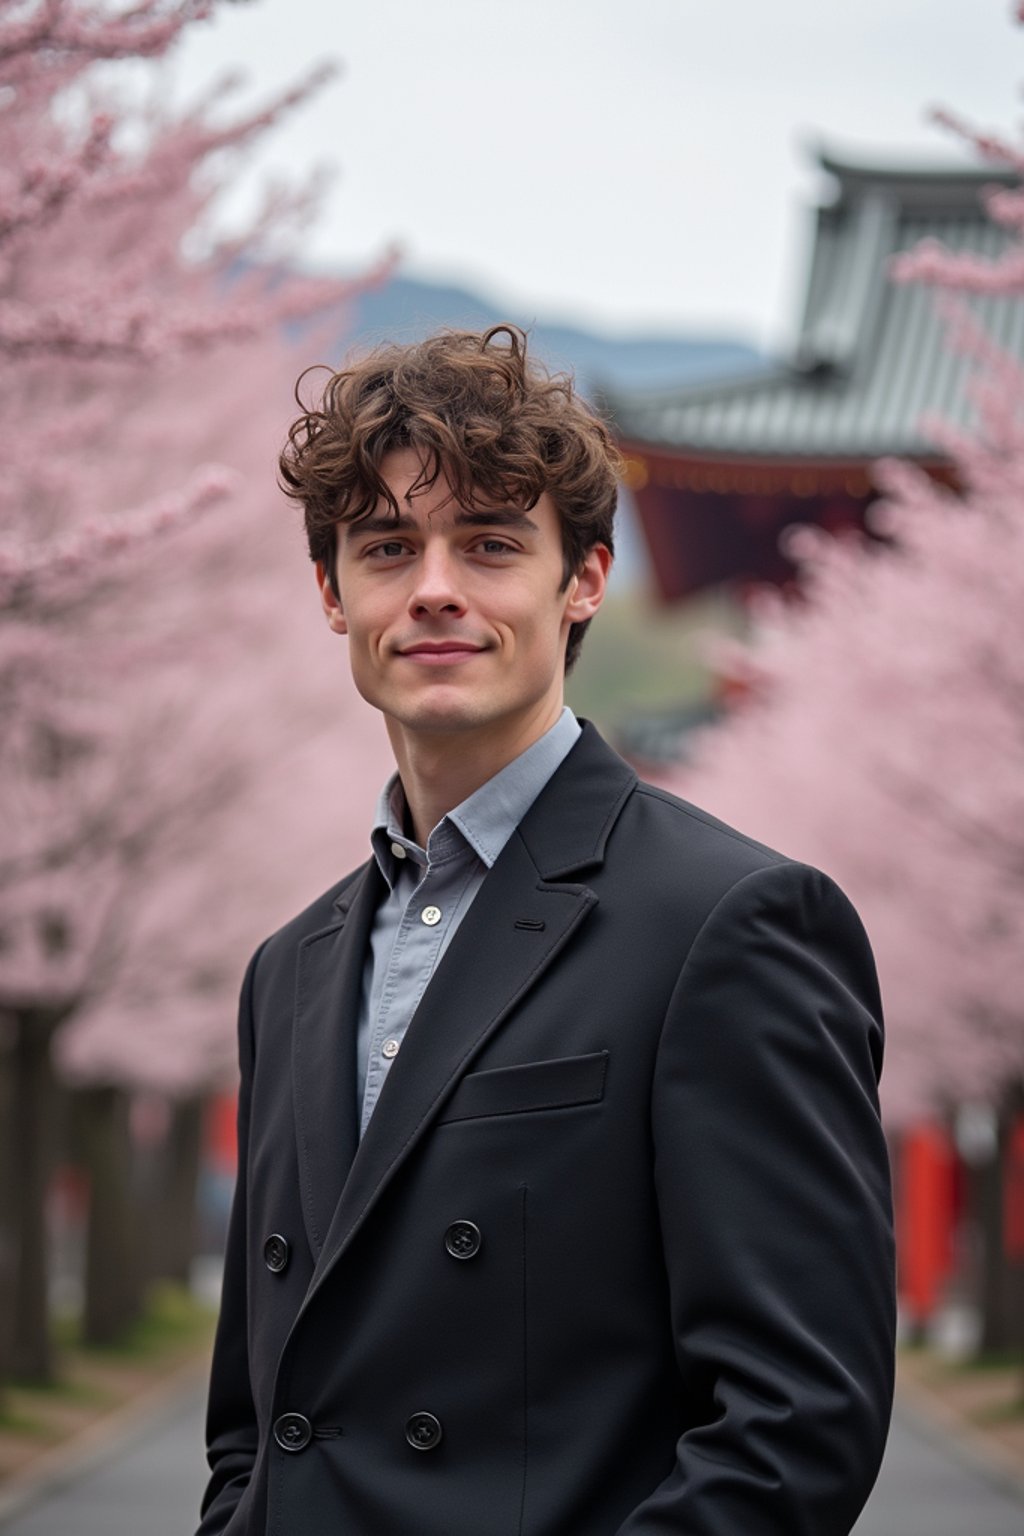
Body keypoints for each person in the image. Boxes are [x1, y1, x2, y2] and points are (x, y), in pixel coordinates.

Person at [196, 325, 895, 1536]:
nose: (432, 589)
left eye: (490, 544)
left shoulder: (729, 926)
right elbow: (251, 1423)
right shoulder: (289, 970)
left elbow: (797, 1423)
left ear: (582, 580)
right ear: (332, 593)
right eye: (386, 548)